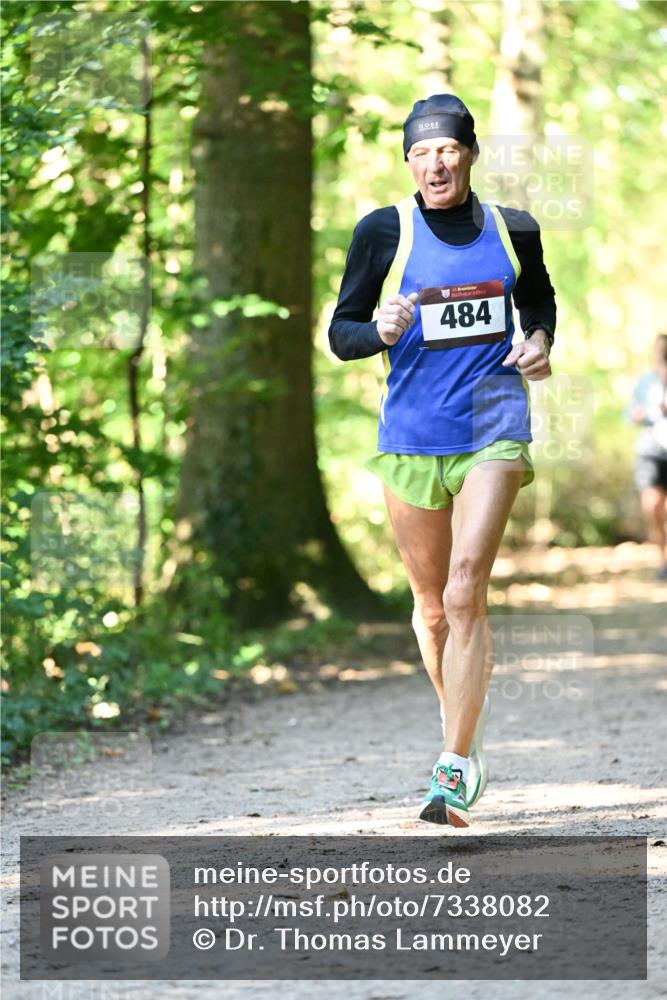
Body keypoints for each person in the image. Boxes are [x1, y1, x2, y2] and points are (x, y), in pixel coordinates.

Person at [328, 94, 556, 827]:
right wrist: (379, 329)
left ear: (468, 154)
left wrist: (540, 341)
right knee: (430, 611)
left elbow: (539, 300)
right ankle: (463, 729)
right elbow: (341, 332)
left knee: (464, 591)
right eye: (421, 152)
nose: (435, 162)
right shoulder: (381, 232)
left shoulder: (512, 229)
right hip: (411, 434)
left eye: (447, 150)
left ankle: (451, 772)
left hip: (493, 420)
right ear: (408, 161)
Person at [629, 334, 667, 581]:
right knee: (652, 506)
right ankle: (664, 559)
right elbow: (630, 413)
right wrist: (645, 412)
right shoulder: (645, 381)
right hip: (651, 451)